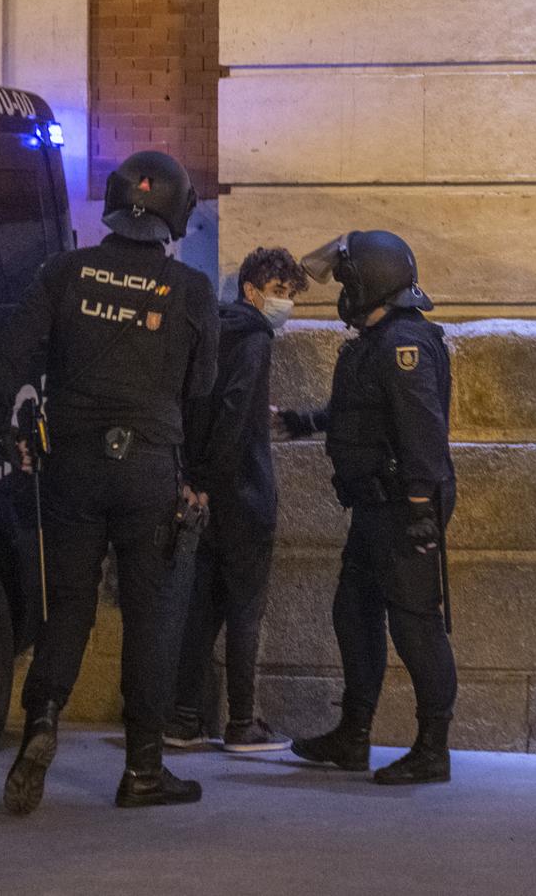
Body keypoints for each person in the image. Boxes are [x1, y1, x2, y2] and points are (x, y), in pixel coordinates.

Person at [0, 150, 220, 815]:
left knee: (68, 607)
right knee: (150, 620)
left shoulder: (66, 271)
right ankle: (143, 771)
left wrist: (10, 430)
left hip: (72, 465)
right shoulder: (191, 290)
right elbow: (203, 391)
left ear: (115, 207)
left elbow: (11, 352)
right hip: (149, 468)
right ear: (177, 214)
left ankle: (40, 723)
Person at [279, 231, 456, 786]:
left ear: (372, 282)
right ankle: (353, 737)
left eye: (348, 280)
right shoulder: (376, 341)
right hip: (375, 508)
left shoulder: (405, 345)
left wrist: (422, 507)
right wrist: (305, 421)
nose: (342, 291)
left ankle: (433, 749)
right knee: (353, 615)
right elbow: (361, 414)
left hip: (403, 507)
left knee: (415, 627)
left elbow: (421, 430)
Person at [164, 246, 309, 753]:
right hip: (242, 495)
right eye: (278, 292)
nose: (284, 303)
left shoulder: (214, 331)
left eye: (290, 295)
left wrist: (195, 477)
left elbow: (201, 403)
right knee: (246, 610)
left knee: (202, 609)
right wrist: (213, 476)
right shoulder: (254, 338)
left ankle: (184, 717)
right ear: (250, 290)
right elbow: (231, 410)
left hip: (208, 494)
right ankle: (243, 723)